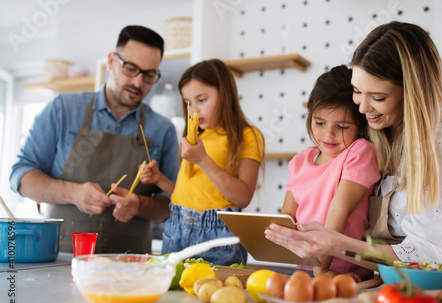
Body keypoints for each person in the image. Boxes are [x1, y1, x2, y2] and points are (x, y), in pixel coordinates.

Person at [265, 21, 442, 288]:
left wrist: (334, 244)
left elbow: (428, 257)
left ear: (412, 94)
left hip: (432, 285)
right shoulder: (374, 139)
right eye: (357, 92)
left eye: (378, 97)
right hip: (380, 278)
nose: (362, 107)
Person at [9, 26, 179, 254]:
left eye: (148, 75)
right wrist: (73, 193)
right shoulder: (63, 110)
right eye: (130, 69)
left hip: (130, 266)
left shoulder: (163, 129)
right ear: (111, 61)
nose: (138, 83)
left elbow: (171, 204)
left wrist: (140, 205)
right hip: (62, 259)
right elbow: (21, 177)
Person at [140, 59, 265, 266]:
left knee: (215, 295)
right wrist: (159, 179)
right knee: (172, 295)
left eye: (202, 100)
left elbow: (243, 197)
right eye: (188, 102)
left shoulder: (246, 136)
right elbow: (187, 196)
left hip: (218, 235)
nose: (194, 111)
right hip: (176, 228)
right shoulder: (194, 137)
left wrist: (203, 159)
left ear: (225, 93)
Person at [281, 65, 379, 281]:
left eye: (342, 127)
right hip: (305, 268)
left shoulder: (360, 152)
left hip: (344, 271)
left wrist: (321, 268)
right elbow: (289, 212)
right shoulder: (299, 161)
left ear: (360, 125)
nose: (329, 134)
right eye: (320, 123)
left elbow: (339, 208)